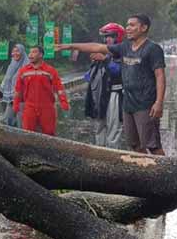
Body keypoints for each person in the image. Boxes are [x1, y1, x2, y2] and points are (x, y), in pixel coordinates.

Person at [58, 14, 166, 155]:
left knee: (153, 145)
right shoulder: (124, 47)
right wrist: (71, 45)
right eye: (127, 25)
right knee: (135, 145)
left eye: (132, 25)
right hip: (128, 104)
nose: (128, 28)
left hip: (145, 105)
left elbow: (160, 76)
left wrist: (159, 102)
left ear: (144, 27)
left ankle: (165, 168)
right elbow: (97, 47)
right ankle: (144, 168)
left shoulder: (153, 49)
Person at [13, 45, 70, 135]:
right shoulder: (23, 71)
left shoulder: (50, 70)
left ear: (41, 55)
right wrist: (16, 104)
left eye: (34, 52)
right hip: (29, 107)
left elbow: (59, 88)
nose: (30, 55)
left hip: (47, 108)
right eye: (30, 52)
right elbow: (18, 90)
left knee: (49, 134)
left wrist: (63, 102)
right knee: (28, 134)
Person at [84, 23, 125, 149]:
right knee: (99, 126)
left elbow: (119, 71)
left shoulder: (123, 51)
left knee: (113, 127)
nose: (107, 39)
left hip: (115, 93)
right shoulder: (103, 53)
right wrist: (95, 64)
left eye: (110, 36)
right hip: (100, 95)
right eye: (105, 37)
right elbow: (88, 77)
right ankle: (99, 152)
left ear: (117, 37)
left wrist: (105, 60)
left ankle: (112, 154)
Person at [0, 44, 29, 127]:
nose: (15, 53)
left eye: (17, 51)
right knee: (8, 120)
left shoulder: (27, 66)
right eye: (13, 51)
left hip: (23, 100)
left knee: (22, 123)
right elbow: (6, 80)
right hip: (11, 99)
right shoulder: (11, 65)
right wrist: (0, 93)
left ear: (22, 52)